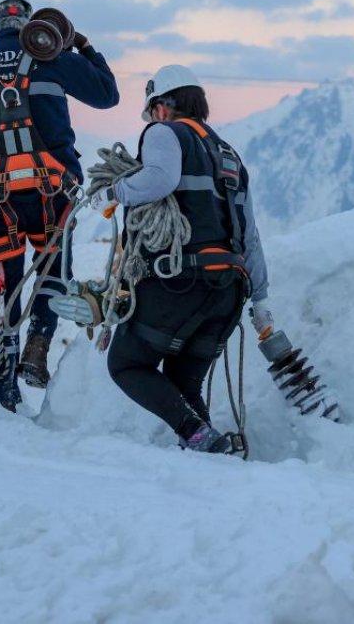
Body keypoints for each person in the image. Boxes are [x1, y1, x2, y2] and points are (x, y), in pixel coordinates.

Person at [0, 0, 119, 410]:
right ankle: (39, 339)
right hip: (53, 194)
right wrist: (82, 45)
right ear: (29, 21)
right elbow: (107, 96)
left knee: (2, 287)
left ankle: (2, 388)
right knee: (54, 268)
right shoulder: (52, 57)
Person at [105, 65, 271, 454]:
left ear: (163, 106)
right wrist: (261, 301)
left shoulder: (165, 132)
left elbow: (160, 179)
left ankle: (196, 435)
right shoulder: (229, 154)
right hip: (228, 289)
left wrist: (113, 193)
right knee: (184, 382)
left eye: (151, 112)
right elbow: (250, 233)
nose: (151, 120)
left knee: (127, 365)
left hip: (180, 282)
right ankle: (209, 449)